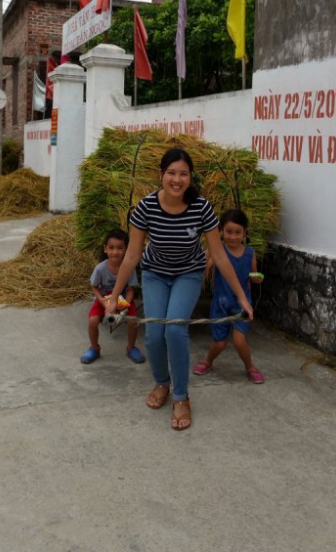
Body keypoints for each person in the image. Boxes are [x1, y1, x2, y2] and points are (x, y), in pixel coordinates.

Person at [105, 148, 254, 431]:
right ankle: (162, 382)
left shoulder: (202, 208)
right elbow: (133, 255)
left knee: (174, 329)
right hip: (155, 274)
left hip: (188, 273)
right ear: (161, 175)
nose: (177, 179)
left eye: (183, 173)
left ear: (190, 177)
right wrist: (114, 298)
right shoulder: (146, 207)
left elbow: (220, 256)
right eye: (171, 173)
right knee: (153, 337)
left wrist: (242, 297)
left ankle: (182, 396)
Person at [193, 208, 265, 384]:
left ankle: (250, 367)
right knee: (220, 343)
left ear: (245, 233)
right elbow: (205, 268)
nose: (233, 237)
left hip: (243, 304)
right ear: (221, 232)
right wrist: (209, 249)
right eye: (229, 232)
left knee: (239, 341)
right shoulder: (219, 252)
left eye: (238, 232)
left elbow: (253, 276)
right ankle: (208, 361)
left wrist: (257, 279)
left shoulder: (250, 253)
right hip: (221, 304)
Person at [80, 228, 145, 365]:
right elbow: (94, 287)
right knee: (92, 321)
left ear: (126, 250)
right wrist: (103, 301)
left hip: (124, 301)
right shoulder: (100, 269)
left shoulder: (129, 268)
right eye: (111, 248)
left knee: (133, 322)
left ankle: (131, 347)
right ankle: (94, 348)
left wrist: (125, 306)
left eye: (120, 248)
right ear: (105, 249)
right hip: (103, 299)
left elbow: (131, 290)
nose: (115, 252)